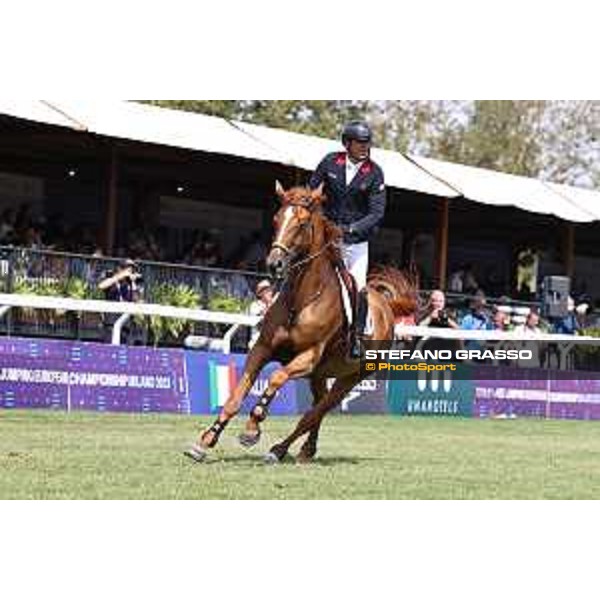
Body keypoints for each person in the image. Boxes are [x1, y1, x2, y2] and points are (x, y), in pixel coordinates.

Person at [309, 120, 386, 358]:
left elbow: (376, 213)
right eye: (360, 143)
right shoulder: (330, 162)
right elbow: (313, 192)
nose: (365, 147)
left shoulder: (374, 172)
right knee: (300, 267)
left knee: (358, 287)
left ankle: (357, 336)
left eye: (367, 142)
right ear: (347, 143)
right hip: (326, 238)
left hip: (355, 243)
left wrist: (350, 229)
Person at [248, 279, 276, 349]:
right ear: (260, 294)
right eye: (267, 291)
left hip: (271, 345)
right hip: (256, 345)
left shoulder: (274, 305)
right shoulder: (254, 305)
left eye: (270, 290)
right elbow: (261, 322)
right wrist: (270, 305)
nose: (270, 293)